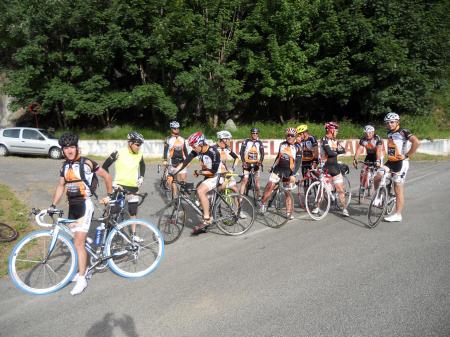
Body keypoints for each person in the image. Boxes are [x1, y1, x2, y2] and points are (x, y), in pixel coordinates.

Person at [50, 132, 112, 296]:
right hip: (73, 207)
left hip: (85, 205)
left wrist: (109, 195)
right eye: (66, 148)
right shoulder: (64, 166)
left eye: (72, 147)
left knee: (78, 243)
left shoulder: (87, 163)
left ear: (77, 147)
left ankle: (82, 277)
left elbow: (106, 175)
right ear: (62, 150)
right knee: (77, 239)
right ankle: (84, 266)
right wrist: (52, 205)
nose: (69, 151)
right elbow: (60, 186)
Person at [373, 112, 420, 222]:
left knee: (398, 188)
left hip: (401, 162)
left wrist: (407, 155)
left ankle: (398, 215)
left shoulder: (404, 131)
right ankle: (379, 197)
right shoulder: (389, 132)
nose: (389, 124)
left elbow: (416, 142)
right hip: (391, 161)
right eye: (387, 122)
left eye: (392, 122)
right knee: (377, 177)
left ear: (397, 122)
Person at [171, 131, 221, 234]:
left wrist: (199, 172)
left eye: (194, 146)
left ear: (201, 143)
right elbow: (184, 163)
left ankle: (207, 219)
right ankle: (208, 212)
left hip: (217, 175)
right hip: (207, 176)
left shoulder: (213, 152)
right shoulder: (197, 151)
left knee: (200, 190)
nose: (193, 149)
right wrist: (173, 173)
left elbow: (214, 171)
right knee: (197, 192)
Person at [102, 131, 146, 241]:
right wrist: (112, 183)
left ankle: (133, 235)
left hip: (133, 187)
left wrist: (141, 177)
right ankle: (107, 237)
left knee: (133, 211)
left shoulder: (139, 154)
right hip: (119, 187)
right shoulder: (119, 152)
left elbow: (142, 165)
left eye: (140, 145)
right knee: (113, 212)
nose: (139, 147)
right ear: (130, 143)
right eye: (137, 144)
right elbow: (104, 167)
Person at [259, 127, 301, 220]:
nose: (289, 137)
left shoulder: (298, 147)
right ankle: (262, 204)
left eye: (292, 135)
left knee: (287, 192)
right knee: (270, 186)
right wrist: (272, 166)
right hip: (278, 169)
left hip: (288, 172)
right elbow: (278, 156)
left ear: (295, 136)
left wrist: (293, 174)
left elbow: (298, 162)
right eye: (288, 135)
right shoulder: (282, 144)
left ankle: (288, 212)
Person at [320, 122, 350, 216]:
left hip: (335, 167)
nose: (337, 132)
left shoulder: (334, 141)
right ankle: (317, 207)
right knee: (324, 190)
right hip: (325, 167)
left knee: (340, 189)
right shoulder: (324, 140)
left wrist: (335, 151)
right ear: (331, 130)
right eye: (336, 130)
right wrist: (336, 151)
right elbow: (329, 152)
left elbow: (343, 150)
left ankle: (344, 209)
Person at [162, 121, 188, 197]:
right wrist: (165, 160)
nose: (176, 130)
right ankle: (175, 196)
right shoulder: (168, 139)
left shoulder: (182, 139)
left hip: (182, 161)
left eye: (177, 128)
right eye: (174, 128)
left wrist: (188, 160)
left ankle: (183, 195)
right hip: (172, 162)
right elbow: (165, 150)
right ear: (171, 129)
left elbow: (185, 150)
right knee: (174, 180)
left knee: (183, 178)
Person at [239, 127, 264, 200]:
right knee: (245, 180)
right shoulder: (246, 141)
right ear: (251, 133)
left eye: (256, 133)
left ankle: (258, 195)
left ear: (258, 134)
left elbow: (262, 154)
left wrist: (260, 162)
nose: (255, 134)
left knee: (257, 181)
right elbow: (241, 152)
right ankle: (240, 197)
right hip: (247, 163)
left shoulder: (259, 142)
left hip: (256, 164)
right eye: (253, 133)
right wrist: (243, 162)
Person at [295, 124, 318, 193]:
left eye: (299, 134)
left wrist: (315, 161)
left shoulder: (311, 138)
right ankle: (306, 198)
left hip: (313, 160)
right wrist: (296, 143)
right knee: (305, 182)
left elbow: (316, 150)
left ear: (304, 133)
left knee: (319, 176)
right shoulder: (299, 141)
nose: (299, 136)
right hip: (304, 162)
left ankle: (322, 186)